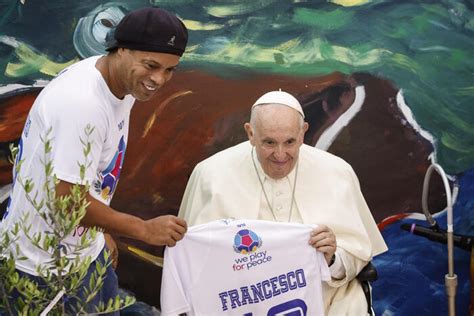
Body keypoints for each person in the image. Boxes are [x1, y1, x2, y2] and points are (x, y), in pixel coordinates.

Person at [0, 7, 188, 313]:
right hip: (45, 270)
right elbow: (66, 201)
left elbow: (87, 175)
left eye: (169, 69)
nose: (159, 78)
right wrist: (142, 229)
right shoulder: (83, 104)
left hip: (84, 253)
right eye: (151, 65)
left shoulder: (121, 84)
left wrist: (99, 233)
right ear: (122, 49)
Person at [178, 90, 388, 315]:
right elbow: (193, 264)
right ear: (250, 133)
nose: (280, 155)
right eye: (269, 142)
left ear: (303, 132)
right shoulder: (210, 174)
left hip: (325, 299)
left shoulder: (337, 172)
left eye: (290, 142)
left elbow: (357, 255)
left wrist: (332, 258)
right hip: (243, 302)